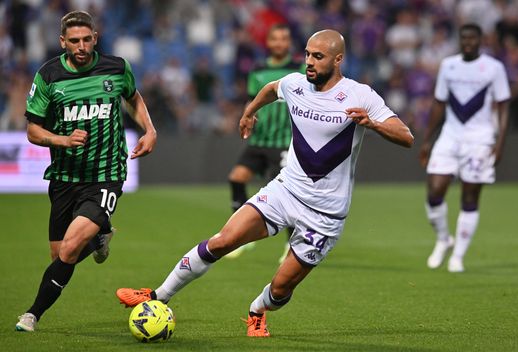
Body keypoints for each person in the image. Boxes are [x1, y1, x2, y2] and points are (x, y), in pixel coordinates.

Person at [116, 29, 413, 337]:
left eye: (318, 57)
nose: (309, 62)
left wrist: (373, 124)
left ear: (338, 60)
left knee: (282, 289)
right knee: (222, 241)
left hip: (325, 214)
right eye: (308, 54)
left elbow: (405, 136)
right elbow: (272, 89)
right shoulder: (296, 84)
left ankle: (258, 309)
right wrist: (249, 112)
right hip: (285, 191)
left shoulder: (360, 94)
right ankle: (156, 295)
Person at [15, 11, 157, 332]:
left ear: (96, 38)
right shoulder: (49, 75)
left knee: (67, 249)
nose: (81, 46)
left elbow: (133, 98)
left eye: (87, 39)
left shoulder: (116, 67)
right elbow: (33, 131)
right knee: (60, 254)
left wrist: (149, 129)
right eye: (74, 41)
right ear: (62, 42)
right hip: (64, 176)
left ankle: (32, 315)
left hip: (106, 173)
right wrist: (61, 140)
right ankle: (99, 237)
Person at [420, 23, 510, 273]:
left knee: (470, 196)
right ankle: (443, 238)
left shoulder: (494, 68)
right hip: (449, 136)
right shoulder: (448, 65)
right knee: (434, 192)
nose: (468, 42)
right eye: (464, 38)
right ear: (460, 41)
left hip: (479, 140)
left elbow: (503, 106)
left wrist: (499, 142)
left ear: (480, 40)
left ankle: (458, 255)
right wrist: (428, 139)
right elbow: (439, 102)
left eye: (472, 38)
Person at [227, 23, 304, 261]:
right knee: (236, 178)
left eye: (284, 38)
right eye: (275, 39)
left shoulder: (300, 68)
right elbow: (251, 101)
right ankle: (240, 237)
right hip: (260, 140)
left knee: (288, 194)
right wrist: (249, 115)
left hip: (284, 142)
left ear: (289, 43)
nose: (280, 43)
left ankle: (292, 244)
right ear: (268, 43)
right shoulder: (258, 70)